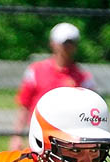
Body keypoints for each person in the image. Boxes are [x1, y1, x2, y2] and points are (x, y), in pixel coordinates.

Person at [9, 22, 96, 151]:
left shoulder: (83, 78)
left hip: (68, 140)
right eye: (64, 43)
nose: (67, 47)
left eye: (71, 43)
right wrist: (16, 136)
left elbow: (90, 112)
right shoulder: (36, 71)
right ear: (53, 44)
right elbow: (24, 105)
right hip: (38, 135)